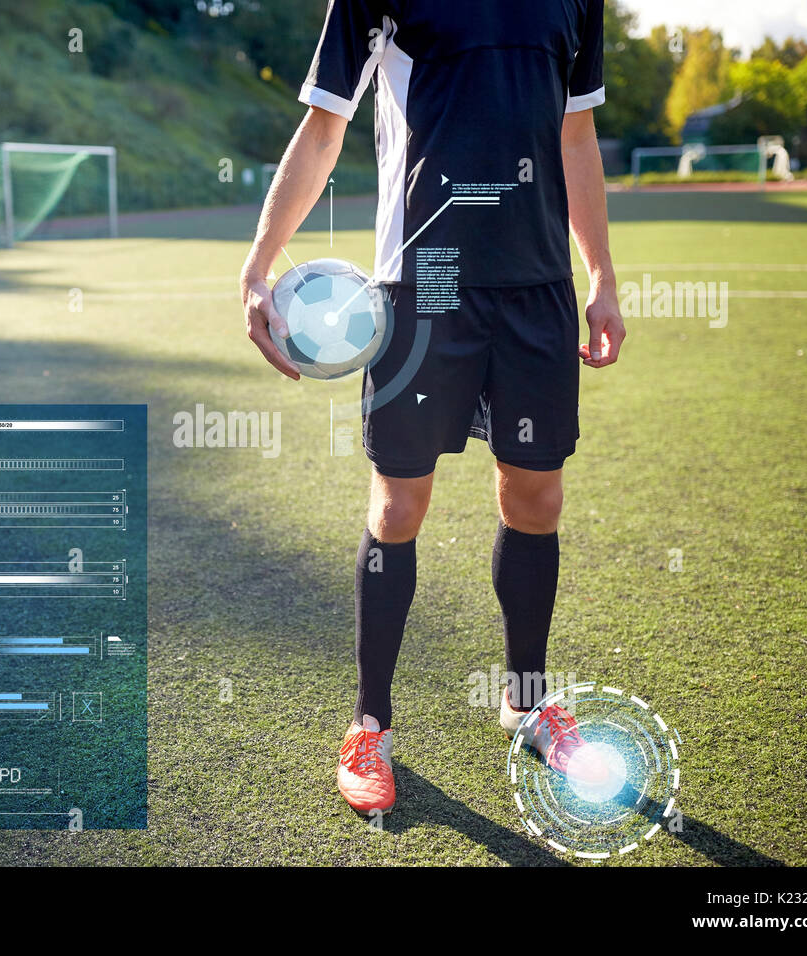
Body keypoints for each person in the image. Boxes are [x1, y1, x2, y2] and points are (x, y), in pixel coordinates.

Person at [239, 0, 625, 814]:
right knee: (398, 504)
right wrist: (259, 265)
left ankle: (526, 699)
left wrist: (602, 280)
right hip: (424, 285)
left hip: (536, 291)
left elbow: (576, 137)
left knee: (536, 496)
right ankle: (369, 723)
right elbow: (322, 128)